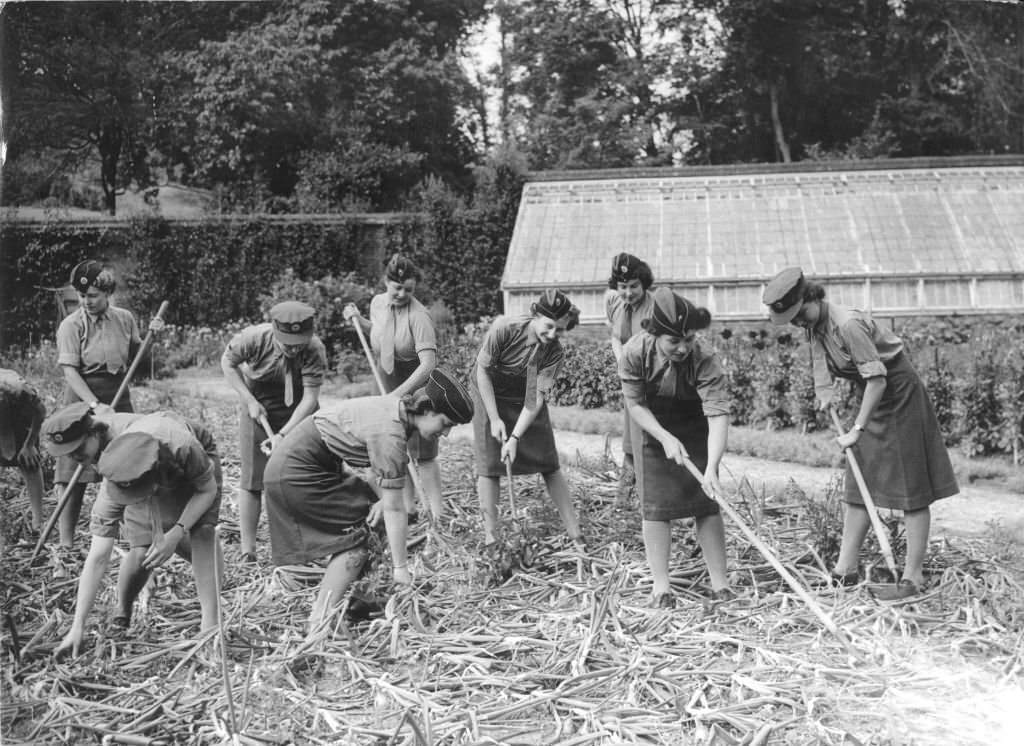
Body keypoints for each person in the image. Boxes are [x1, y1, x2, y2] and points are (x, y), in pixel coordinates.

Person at [763, 267, 959, 600]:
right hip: (871, 396)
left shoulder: (847, 325)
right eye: (792, 319)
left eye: (799, 315)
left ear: (810, 298)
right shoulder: (814, 323)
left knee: (912, 489)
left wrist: (857, 428)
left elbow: (878, 380)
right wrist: (824, 391)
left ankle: (912, 577)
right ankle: (845, 569)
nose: (797, 323)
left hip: (899, 396)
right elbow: (819, 357)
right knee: (858, 482)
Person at [263, 368, 474, 635]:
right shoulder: (392, 435)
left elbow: (377, 476)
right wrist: (400, 569)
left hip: (305, 464)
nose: (444, 434)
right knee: (355, 539)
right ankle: (320, 621)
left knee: (372, 519)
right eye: (445, 424)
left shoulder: (396, 410)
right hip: (296, 471)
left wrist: (380, 502)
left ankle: (361, 602)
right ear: (428, 410)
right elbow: (396, 508)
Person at [47, 407, 223, 657]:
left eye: (78, 450)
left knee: (202, 530)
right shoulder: (112, 484)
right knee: (142, 548)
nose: (74, 457)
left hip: (184, 462)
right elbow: (97, 557)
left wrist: (175, 533)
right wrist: (77, 627)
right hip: (135, 466)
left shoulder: (181, 445)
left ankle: (210, 627)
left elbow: (207, 490)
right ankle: (123, 609)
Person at [618, 287, 732, 607]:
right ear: (654, 334)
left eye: (689, 338)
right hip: (652, 424)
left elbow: (718, 415)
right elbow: (635, 404)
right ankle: (661, 587)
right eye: (673, 341)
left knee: (706, 501)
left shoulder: (705, 357)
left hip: (696, 424)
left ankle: (720, 584)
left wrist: (711, 467)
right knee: (655, 506)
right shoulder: (634, 352)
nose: (683, 348)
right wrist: (664, 437)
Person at [52, 260, 158, 572]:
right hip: (82, 399)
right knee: (74, 471)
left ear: (108, 293)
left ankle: (131, 537)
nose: (87, 301)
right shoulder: (71, 325)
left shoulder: (125, 319)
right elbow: (70, 372)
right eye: (82, 295)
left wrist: (152, 338)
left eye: (94, 295)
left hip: (119, 394)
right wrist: (95, 405)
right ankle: (66, 543)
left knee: (127, 463)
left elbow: (139, 360)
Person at [472, 289, 585, 548]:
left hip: (525, 392)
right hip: (489, 390)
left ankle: (575, 533)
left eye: (559, 330)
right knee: (490, 465)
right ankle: (493, 539)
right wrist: (495, 418)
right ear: (535, 314)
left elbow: (534, 398)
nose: (553, 335)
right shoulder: (504, 329)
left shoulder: (553, 352)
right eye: (548, 327)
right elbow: (482, 373)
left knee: (548, 461)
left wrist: (514, 437)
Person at [221, 300, 327, 563]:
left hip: (300, 411)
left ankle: (310, 544)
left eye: (298, 342)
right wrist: (248, 400)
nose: (293, 349)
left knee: (304, 475)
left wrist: (284, 434)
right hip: (258, 407)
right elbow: (227, 363)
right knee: (253, 481)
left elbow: (310, 398)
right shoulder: (254, 338)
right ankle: (248, 550)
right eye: (286, 343)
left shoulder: (315, 349)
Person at [342, 254, 444, 520]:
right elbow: (378, 332)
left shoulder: (419, 317)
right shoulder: (377, 303)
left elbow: (428, 365)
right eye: (396, 287)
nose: (401, 294)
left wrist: (399, 396)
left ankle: (438, 513)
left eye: (408, 290)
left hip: (417, 388)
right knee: (398, 447)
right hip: (386, 385)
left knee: (424, 453)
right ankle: (409, 509)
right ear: (386, 282)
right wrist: (357, 320)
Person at [605, 253, 656, 502]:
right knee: (630, 436)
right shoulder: (616, 304)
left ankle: (654, 495)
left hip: (652, 383)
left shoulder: (655, 308)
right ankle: (624, 494)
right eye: (623, 287)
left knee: (649, 439)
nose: (628, 293)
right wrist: (621, 361)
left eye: (633, 286)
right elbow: (616, 337)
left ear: (644, 283)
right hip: (631, 382)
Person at [0, 368, 46, 531]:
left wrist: (29, 444)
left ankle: (38, 522)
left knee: (29, 462)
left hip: (20, 417)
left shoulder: (19, 389)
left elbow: (40, 411)